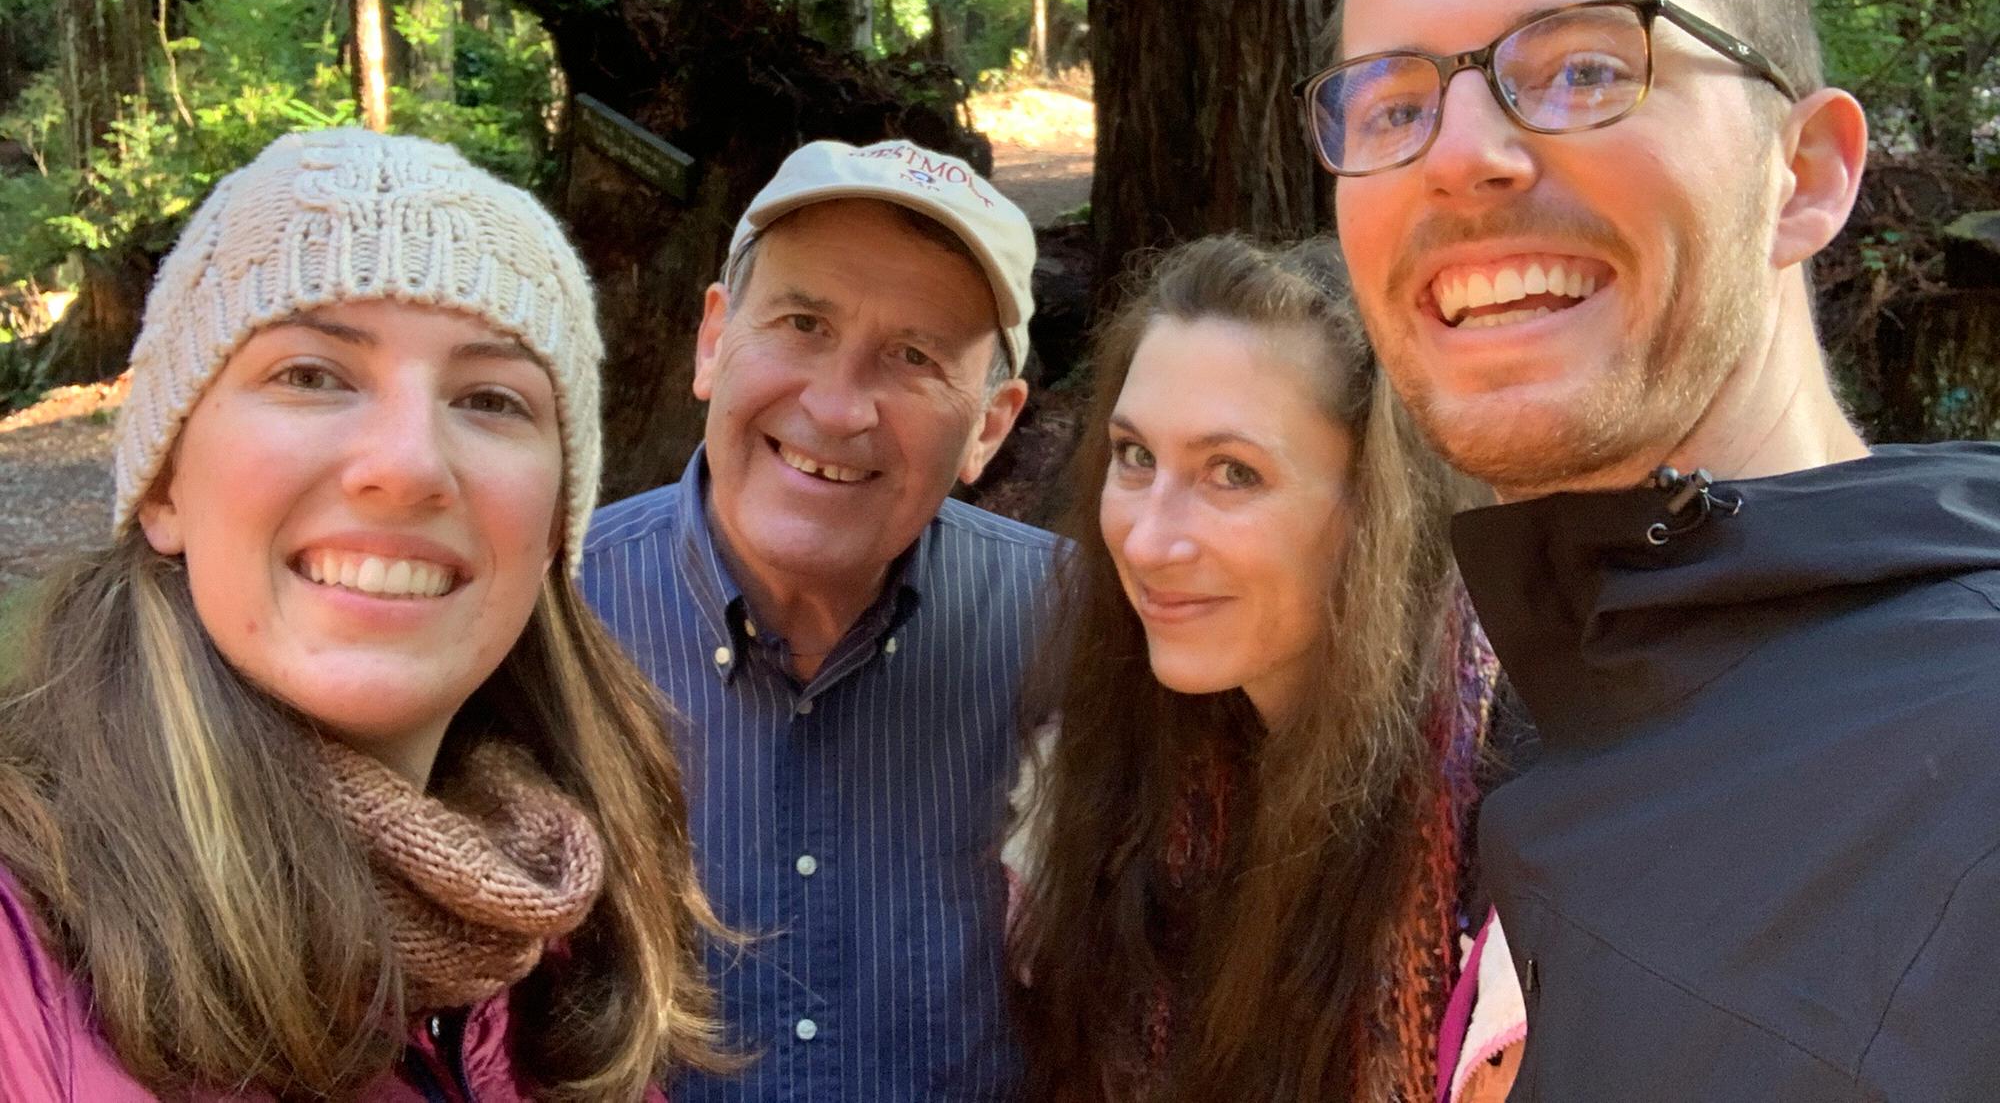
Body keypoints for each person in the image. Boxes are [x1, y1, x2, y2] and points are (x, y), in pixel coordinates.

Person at [1316, 0, 2000, 1099]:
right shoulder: (1552, 694)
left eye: (1581, 67)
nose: (1458, 155)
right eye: (1394, 104)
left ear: (1800, 176)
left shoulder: (1969, 763)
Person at [0, 128, 724, 1100]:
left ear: (557, 522)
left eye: (490, 398)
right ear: (166, 482)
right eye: (311, 375)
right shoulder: (28, 949)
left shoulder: (562, 928)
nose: (410, 464)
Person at [583, 138, 1057, 1102]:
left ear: (992, 425)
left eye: (915, 357)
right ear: (714, 340)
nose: (838, 408)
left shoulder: (1070, 627)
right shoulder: (553, 616)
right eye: (802, 323)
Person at [1006, 234, 1514, 1103]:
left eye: (1232, 473)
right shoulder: (1117, 767)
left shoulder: (1520, 821)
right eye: (1135, 457)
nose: (1150, 539)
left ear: (1377, 509)